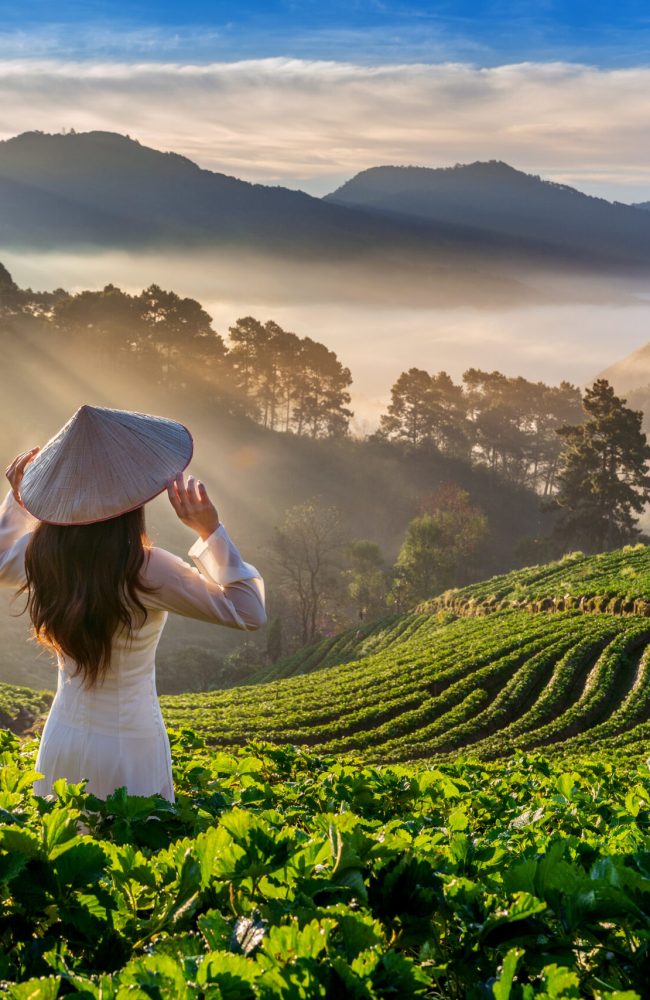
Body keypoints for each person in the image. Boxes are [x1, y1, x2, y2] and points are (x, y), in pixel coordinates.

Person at [0, 404, 266, 802]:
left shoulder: (44, 554)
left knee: (63, 850)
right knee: (133, 848)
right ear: (131, 499)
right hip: (129, 744)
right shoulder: (146, 569)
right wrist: (210, 532)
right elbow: (247, 612)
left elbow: (3, 561)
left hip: (61, 739)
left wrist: (18, 503)